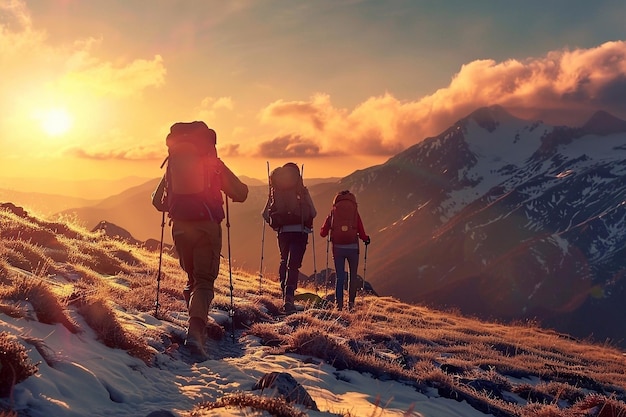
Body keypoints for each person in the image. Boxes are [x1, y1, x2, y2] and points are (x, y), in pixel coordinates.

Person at [152, 122, 248, 357]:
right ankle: (195, 333)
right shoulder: (213, 163)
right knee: (204, 281)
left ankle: (196, 322)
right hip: (207, 228)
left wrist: (177, 207)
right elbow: (241, 193)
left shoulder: (172, 163)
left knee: (193, 278)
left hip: (180, 229)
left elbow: (157, 202)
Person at [262, 162, 317, 314]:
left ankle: (284, 292)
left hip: (283, 232)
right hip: (300, 232)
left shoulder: (276, 190)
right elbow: (313, 212)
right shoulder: (302, 190)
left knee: (283, 260)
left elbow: (264, 214)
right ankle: (289, 297)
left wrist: (277, 223)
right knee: (293, 265)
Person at [320, 190, 370, 311]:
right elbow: (361, 232)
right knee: (352, 276)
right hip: (353, 248)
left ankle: (339, 306)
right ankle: (351, 304)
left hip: (337, 249)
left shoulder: (333, 213)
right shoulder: (355, 213)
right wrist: (366, 239)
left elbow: (323, 233)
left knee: (340, 277)